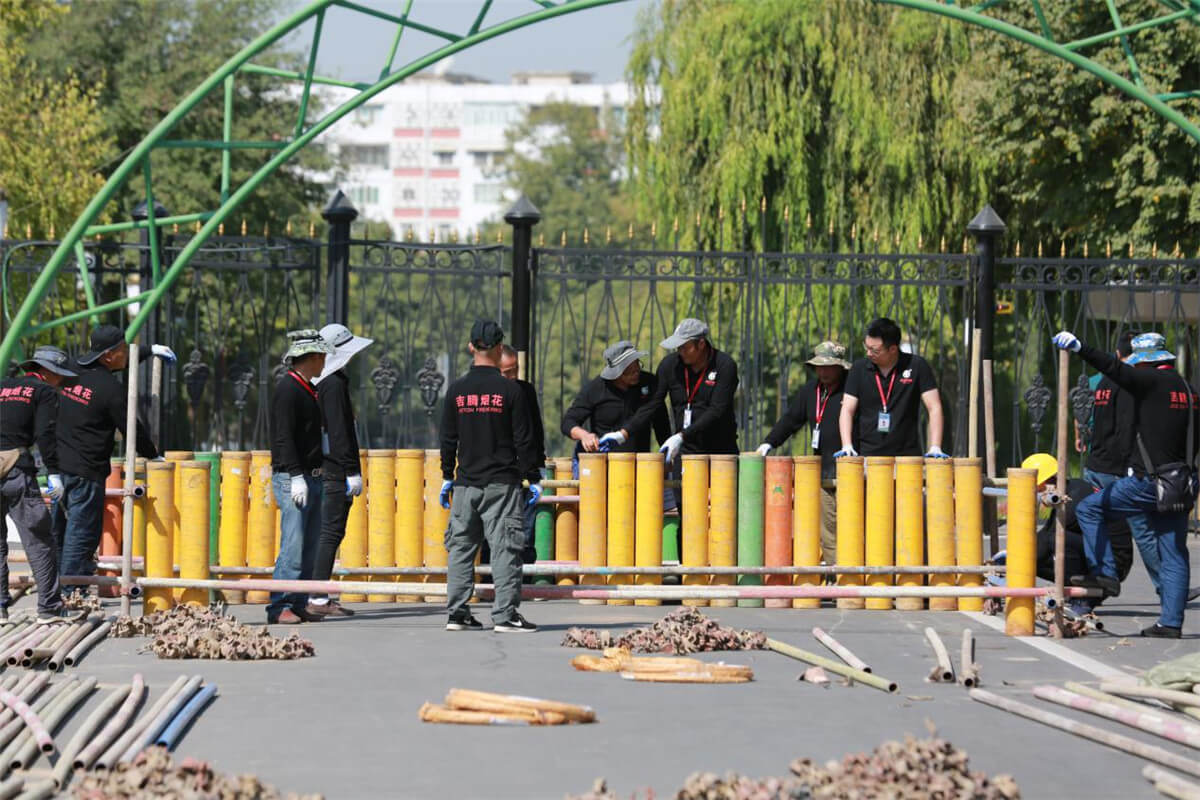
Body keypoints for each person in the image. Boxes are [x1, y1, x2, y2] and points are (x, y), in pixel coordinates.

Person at [1053, 330, 1200, 638]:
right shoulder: (1189, 390)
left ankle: (1106, 574)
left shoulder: (1148, 382)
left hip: (1148, 482)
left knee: (1091, 509)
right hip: (1180, 483)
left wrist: (1081, 347)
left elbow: (1113, 367)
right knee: (1173, 551)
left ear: (1143, 363)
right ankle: (1170, 624)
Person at [53, 325, 171, 591]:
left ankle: (54, 590)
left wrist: (149, 350)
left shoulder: (70, 369)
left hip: (58, 466)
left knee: (58, 530)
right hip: (86, 471)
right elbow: (132, 428)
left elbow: (122, 357)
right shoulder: (110, 390)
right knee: (81, 534)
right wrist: (152, 455)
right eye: (122, 349)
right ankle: (71, 592)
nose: (127, 354)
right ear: (108, 355)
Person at [440, 320, 539, 633]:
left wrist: (446, 475)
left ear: (471, 347)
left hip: (466, 483)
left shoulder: (456, 391)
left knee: (461, 549)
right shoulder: (510, 391)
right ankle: (505, 614)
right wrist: (532, 475)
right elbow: (524, 439)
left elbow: (447, 438)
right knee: (505, 549)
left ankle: (457, 613)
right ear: (499, 349)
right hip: (501, 484)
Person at [0, 346, 79, 624]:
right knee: (40, 540)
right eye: (59, 375)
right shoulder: (44, 392)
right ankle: (49, 607)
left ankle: (0, 608)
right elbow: (45, 434)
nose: (61, 381)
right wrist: (54, 472)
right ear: (47, 372)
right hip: (16, 471)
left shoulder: (2, 387)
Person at [1077, 333, 1160, 593]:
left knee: (1094, 520)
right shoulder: (1127, 384)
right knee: (1143, 532)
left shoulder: (1103, 381)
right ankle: (1166, 586)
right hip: (1117, 469)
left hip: (1096, 464)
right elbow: (1126, 428)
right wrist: (1129, 467)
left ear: (1116, 353)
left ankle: (1101, 574)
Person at [755, 341, 851, 563]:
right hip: (825, 473)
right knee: (829, 530)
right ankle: (837, 577)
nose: (823, 371)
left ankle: (857, 576)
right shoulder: (810, 391)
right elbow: (791, 420)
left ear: (840, 367)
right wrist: (769, 443)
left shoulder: (852, 391)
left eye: (829, 366)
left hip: (851, 472)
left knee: (855, 528)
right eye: (819, 366)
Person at [267, 329, 333, 625]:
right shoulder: (287, 389)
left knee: (309, 547)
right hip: (294, 476)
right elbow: (284, 437)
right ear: (313, 357)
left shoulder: (308, 388)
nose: (324, 363)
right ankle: (279, 605)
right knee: (292, 546)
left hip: (314, 475)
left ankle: (299, 601)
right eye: (322, 357)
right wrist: (295, 475)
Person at [308, 323, 372, 619]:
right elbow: (338, 433)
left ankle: (315, 593)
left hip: (326, 468)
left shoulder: (320, 381)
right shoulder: (332, 384)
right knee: (330, 532)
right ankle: (317, 597)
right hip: (334, 471)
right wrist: (351, 470)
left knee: (326, 532)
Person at [1021, 453, 1134, 615]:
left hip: (1113, 563)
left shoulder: (1074, 498)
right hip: (1099, 553)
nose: (1037, 494)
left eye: (1038, 488)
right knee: (1036, 553)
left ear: (1050, 481)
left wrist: (1017, 567)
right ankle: (1077, 590)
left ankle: (1085, 595)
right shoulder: (1069, 489)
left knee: (1056, 540)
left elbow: (1045, 541)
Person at [619, 318, 739, 463]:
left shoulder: (724, 365)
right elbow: (653, 404)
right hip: (685, 451)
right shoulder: (670, 365)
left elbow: (717, 410)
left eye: (684, 347)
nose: (680, 352)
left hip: (721, 452)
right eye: (678, 347)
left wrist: (681, 436)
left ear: (701, 344)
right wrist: (624, 433)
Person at [835, 317, 947, 459]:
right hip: (869, 455)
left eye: (874, 350)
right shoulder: (859, 369)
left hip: (907, 456)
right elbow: (847, 409)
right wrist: (847, 445)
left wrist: (935, 446)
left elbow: (934, 406)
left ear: (893, 349)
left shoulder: (917, 366)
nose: (868, 353)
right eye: (866, 347)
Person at [560, 340, 671, 459]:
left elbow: (661, 423)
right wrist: (584, 435)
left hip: (640, 462)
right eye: (629, 371)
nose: (636, 373)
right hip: (605, 462)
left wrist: (666, 454)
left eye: (637, 367)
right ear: (616, 373)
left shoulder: (648, 383)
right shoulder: (596, 388)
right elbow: (568, 422)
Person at [499, 344, 545, 565]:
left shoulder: (525, 390)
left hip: (526, 468)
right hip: (501, 471)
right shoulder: (492, 396)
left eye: (514, 370)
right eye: (506, 372)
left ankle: (525, 575)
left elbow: (535, 429)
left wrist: (539, 463)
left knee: (527, 526)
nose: (512, 376)